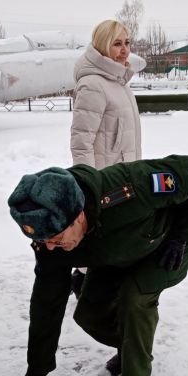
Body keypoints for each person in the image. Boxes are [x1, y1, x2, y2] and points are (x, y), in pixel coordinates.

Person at [7, 155, 188, 376]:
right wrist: (35, 371)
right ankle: (131, 351)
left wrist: (182, 235)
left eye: (56, 240)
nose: (49, 247)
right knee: (89, 313)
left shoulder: (131, 188)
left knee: (134, 299)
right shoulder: (51, 242)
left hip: (163, 247)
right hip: (115, 254)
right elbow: (46, 305)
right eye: (43, 241)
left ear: (78, 216)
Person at [69, 19, 143, 296]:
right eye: (117, 43)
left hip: (123, 175)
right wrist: (88, 185)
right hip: (104, 178)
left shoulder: (119, 82)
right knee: (101, 235)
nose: (125, 50)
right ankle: (84, 285)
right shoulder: (93, 85)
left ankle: (90, 281)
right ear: (102, 45)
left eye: (127, 42)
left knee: (115, 235)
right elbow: (81, 141)